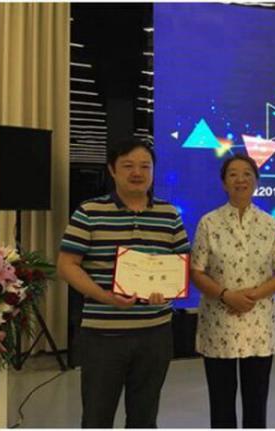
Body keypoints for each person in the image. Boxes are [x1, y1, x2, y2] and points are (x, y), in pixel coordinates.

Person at [57, 138, 189, 428]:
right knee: (97, 417)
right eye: (128, 166)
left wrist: (168, 291)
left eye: (145, 166)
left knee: (144, 418)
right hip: (103, 335)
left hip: (155, 333)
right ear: (112, 170)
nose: (137, 172)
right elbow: (67, 265)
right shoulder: (89, 211)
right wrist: (105, 296)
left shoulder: (169, 214)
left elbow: (180, 266)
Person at [190, 153, 275, 428]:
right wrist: (227, 296)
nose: (240, 179)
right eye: (233, 174)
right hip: (219, 324)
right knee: (221, 405)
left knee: (256, 405)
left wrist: (253, 296)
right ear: (224, 183)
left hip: (258, 326)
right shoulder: (208, 223)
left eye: (247, 174)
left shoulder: (270, 224)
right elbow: (196, 272)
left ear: (256, 181)